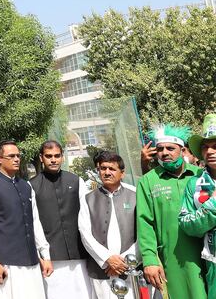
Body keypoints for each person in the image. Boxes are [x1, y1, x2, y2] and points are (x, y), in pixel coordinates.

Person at [137, 124, 205, 299]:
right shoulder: (148, 181)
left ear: (182, 150)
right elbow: (144, 222)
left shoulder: (200, 176)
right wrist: (150, 260)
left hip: (206, 255)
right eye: (160, 149)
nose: (164, 153)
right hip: (171, 259)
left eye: (170, 148)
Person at [0, 140, 52, 299]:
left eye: (18, 156)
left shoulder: (26, 185)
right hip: (7, 263)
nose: (16, 159)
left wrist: (45, 256)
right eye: (11, 156)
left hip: (33, 262)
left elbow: (35, 222)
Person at [29, 141, 92, 299]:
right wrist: (42, 256)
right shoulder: (31, 186)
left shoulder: (76, 181)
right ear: (41, 158)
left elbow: (86, 218)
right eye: (49, 156)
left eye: (57, 156)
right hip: (51, 259)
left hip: (80, 254)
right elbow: (33, 223)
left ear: (62, 157)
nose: (53, 160)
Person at [79, 151, 137, 299]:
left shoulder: (136, 195)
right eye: (103, 168)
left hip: (130, 268)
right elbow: (85, 233)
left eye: (112, 169)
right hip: (102, 269)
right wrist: (108, 259)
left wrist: (124, 262)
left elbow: (144, 232)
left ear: (122, 173)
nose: (107, 172)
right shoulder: (88, 199)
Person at [179, 114, 216, 299]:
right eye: (205, 147)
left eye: (215, 146)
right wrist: (213, 205)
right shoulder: (195, 184)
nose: (210, 151)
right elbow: (186, 224)